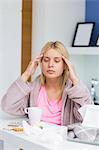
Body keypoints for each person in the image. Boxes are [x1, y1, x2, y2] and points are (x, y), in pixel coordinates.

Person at [1, 41, 93, 126]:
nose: (50, 65)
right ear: (40, 63)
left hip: (63, 141)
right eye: (46, 60)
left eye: (56, 61)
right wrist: (26, 74)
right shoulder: (33, 89)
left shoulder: (74, 91)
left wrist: (75, 80)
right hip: (36, 139)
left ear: (65, 65)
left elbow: (88, 116)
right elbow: (7, 106)